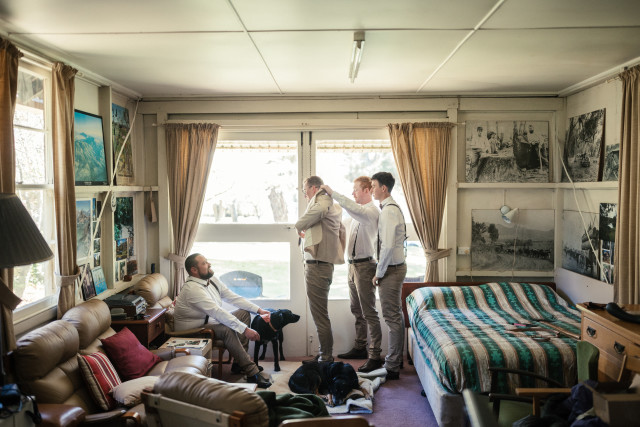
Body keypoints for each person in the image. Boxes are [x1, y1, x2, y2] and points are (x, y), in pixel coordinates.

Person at [173, 253, 273, 388]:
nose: (209, 264)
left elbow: (232, 297)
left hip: (209, 322)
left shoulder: (211, 280)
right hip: (192, 330)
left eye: (207, 261)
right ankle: (252, 372)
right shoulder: (192, 289)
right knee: (226, 329)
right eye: (204, 263)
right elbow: (217, 312)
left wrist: (259, 310)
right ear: (194, 270)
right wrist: (245, 330)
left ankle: (239, 364)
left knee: (244, 314)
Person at [320, 177, 383, 373]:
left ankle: (375, 355)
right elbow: (338, 224)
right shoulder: (355, 215)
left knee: (369, 312)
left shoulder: (371, 212)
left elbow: (350, 206)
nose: (353, 193)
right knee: (356, 309)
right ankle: (360, 346)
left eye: (356, 190)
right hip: (352, 266)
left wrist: (333, 193)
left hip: (365, 267)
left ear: (367, 190)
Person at [295, 176, 346, 363]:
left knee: (320, 315)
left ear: (314, 188)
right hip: (320, 266)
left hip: (318, 267)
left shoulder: (323, 200)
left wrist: (299, 225)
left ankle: (325, 357)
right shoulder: (326, 203)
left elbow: (321, 210)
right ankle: (324, 353)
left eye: (305, 190)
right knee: (320, 314)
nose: (305, 195)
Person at [370, 172, 407, 380]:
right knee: (396, 315)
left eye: (374, 186)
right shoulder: (390, 209)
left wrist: (378, 273)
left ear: (383, 188)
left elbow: (387, 246)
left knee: (392, 317)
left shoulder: (389, 211)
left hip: (391, 269)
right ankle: (396, 360)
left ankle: (392, 366)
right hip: (395, 267)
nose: (372, 189)